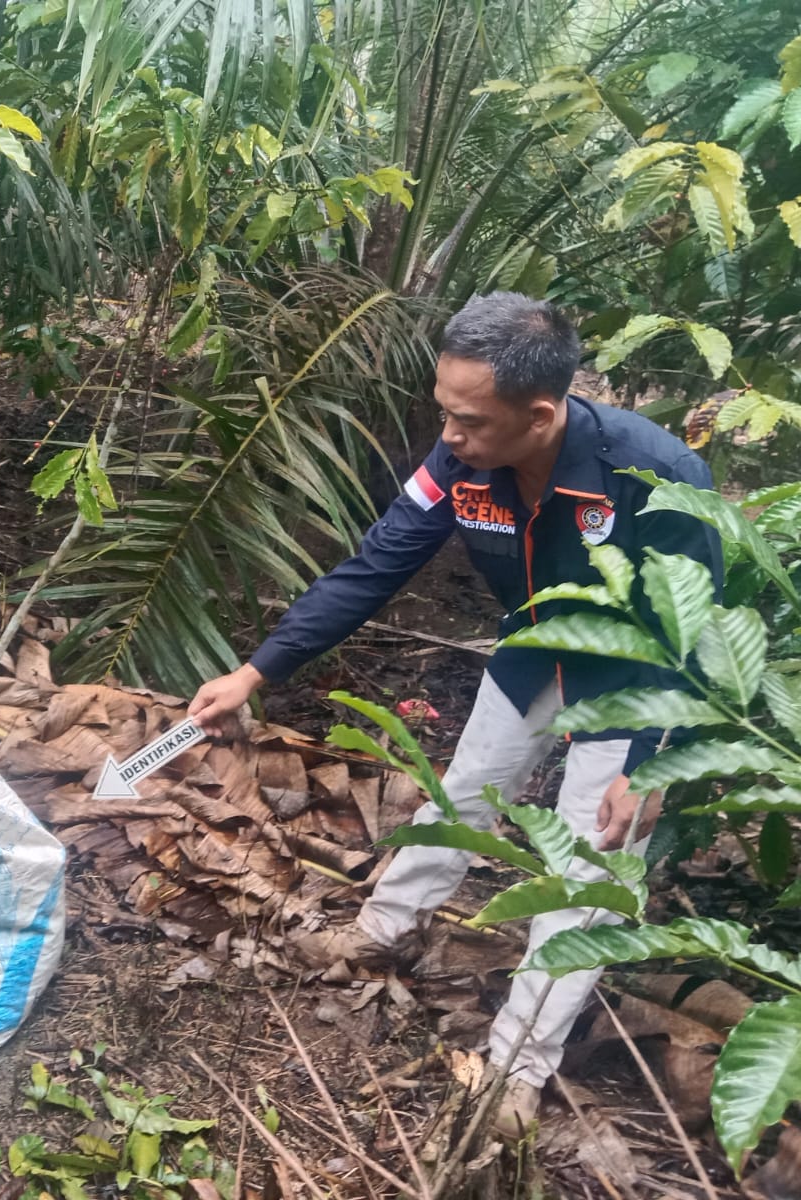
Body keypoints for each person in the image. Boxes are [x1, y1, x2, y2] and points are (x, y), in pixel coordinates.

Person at [187, 292, 723, 1137]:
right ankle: (383, 929)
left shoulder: (656, 478)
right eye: (444, 411)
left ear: (540, 414)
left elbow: (697, 637)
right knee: (463, 791)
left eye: (468, 420)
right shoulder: (460, 462)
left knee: (592, 868)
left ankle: (518, 1064)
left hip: (638, 682)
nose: (450, 435)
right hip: (533, 650)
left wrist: (654, 766)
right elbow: (376, 567)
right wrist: (257, 671)